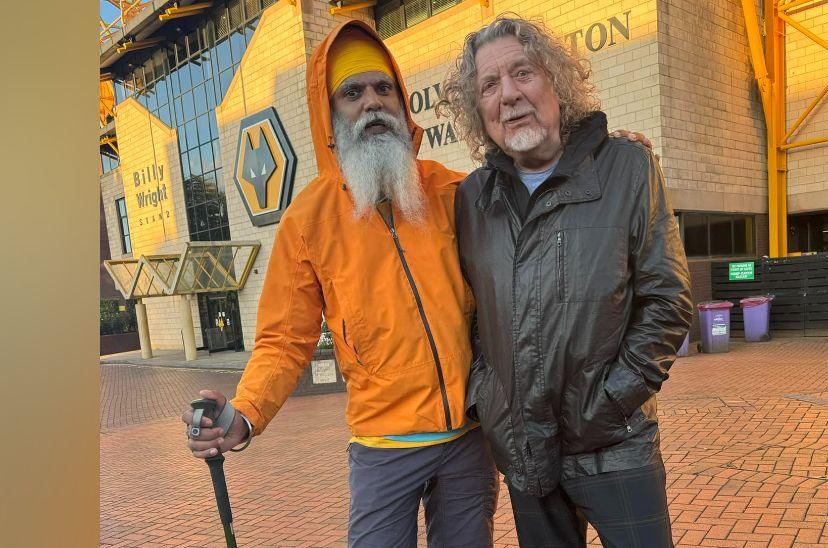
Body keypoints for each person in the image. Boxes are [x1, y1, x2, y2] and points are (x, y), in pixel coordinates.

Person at [180, 20, 654, 547]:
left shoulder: (456, 191)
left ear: (403, 104)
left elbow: (538, 179)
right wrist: (245, 413)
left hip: (469, 438)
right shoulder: (306, 221)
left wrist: (607, 154)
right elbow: (283, 341)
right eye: (352, 92)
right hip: (382, 446)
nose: (372, 102)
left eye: (384, 88)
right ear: (328, 114)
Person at [440, 15, 693, 547]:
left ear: (556, 80)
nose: (509, 95)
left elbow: (668, 302)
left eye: (523, 73)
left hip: (617, 444)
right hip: (524, 451)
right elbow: (469, 314)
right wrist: (488, 397)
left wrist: (610, 401)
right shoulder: (472, 198)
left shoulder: (627, 167)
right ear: (477, 110)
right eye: (490, 85)